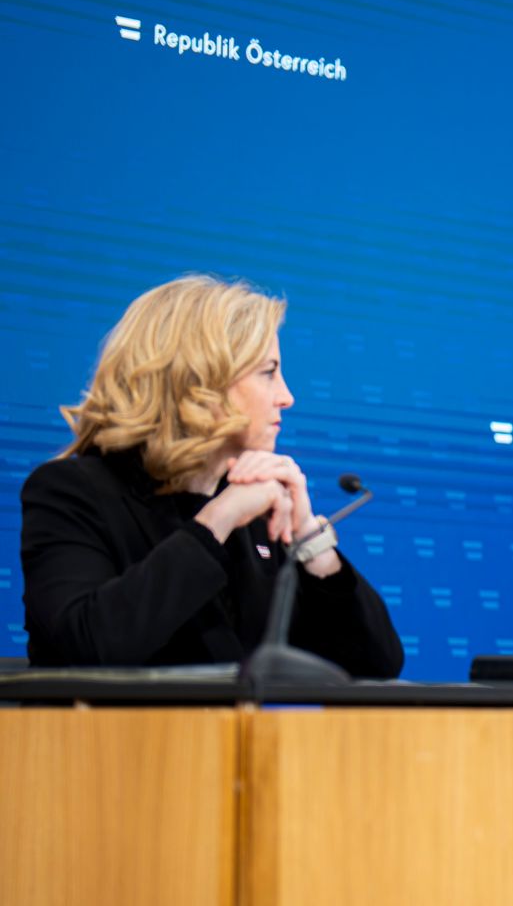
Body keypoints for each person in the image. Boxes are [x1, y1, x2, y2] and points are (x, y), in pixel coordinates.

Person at [20, 274, 403, 675]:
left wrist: (309, 537)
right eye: (268, 372)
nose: (287, 397)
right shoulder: (71, 492)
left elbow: (376, 665)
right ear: (199, 380)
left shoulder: (257, 509)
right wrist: (217, 520)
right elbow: (86, 648)